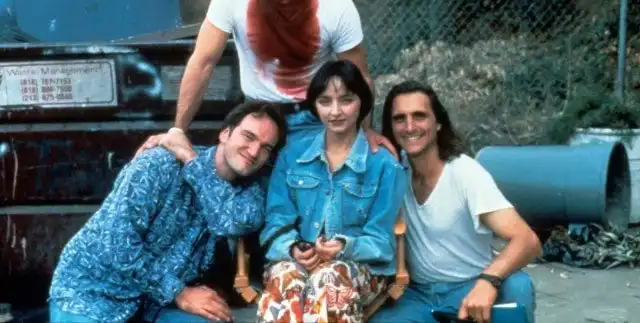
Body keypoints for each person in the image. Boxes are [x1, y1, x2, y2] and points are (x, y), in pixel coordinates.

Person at [135, 0, 395, 157]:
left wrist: (366, 132)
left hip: (315, 118)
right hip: (257, 114)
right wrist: (178, 129)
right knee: (225, 172)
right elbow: (203, 62)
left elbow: (360, 77)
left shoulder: (335, 4)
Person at [48, 101, 288, 323]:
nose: (254, 152)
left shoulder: (252, 193)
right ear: (225, 133)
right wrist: (178, 292)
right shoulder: (158, 163)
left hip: (155, 303)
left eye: (265, 148)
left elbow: (231, 222)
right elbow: (117, 243)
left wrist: (191, 159)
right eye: (248, 136)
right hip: (93, 292)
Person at [370, 80, 542, 323]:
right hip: (418, 294)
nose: (409, 126)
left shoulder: (465, 172)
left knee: (518, 285)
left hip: (471, 285)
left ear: (438, 123)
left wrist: (488, 281)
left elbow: (527, 240)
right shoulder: (394, 172)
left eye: (419, 116)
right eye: (399, 118)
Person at [256, 60, 408, 323]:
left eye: (346, 100)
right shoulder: (292, 156)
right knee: (284, 278)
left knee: (328, 279)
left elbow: (381, 242)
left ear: (361, 102)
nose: (335, 111)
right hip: (297, 262)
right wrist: (293, 249)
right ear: (314, 105)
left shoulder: (384, 165)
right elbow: (277, 222)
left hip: (362, 268)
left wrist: (344, 247)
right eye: (325, 101)